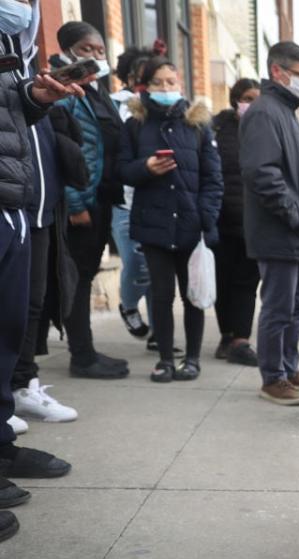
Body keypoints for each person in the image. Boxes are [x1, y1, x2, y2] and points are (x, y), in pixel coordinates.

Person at [0, 0, 95, 543]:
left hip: (18, 202)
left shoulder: (17, 50)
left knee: (12, 332)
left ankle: (2, 450)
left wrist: (32, 97)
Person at [116, 56, 223, 382]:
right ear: (145, 87)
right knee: (160, 295)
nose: (166, 88)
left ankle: (192, 359)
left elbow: (213, 178)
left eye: (171, 82)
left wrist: (205, 218)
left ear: (181, 85)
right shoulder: (134, 124)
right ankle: (164, 359)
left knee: (193, 296)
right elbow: (120, 171)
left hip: (191, 225)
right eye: (158, 83)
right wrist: (145, 169)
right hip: (153, 225)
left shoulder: (198, 125)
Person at [240, 41, 299, 406]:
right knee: (279, 306)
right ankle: (272, 377)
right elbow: (262, 172)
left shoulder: (285, 112)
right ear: (278, 72)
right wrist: (295, 214)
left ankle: (288, 366)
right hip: (279, 232)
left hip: (297, 233)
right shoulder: (264, 112)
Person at [53, 21, 129, 379]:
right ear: (67, 50)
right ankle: (81, 356)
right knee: (79, 277)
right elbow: (62, 150)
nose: (97, 56)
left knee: (86, 273)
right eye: (87, 50)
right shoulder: (62, 89)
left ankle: (86, 350)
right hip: (80, 201)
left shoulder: (96, 89)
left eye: (100, 51)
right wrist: (77, 204)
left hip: (101, 196)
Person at [212, 78, 260, 366]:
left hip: (253, 223)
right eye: (247, 98)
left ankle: (241, 340)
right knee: (222, 283)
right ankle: (227, 335)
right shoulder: (217, 128)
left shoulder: (265, 129)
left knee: (246, 283)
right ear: (235, 100)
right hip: (220, 221)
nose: (251, 104)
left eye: (257, 99)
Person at [110, 45, 153, 341]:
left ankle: (160, 335)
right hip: (124, 201)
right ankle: (128, 305)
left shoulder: (164, 106)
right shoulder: (114, 104)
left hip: (158, 200)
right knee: (137, 263)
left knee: (158, 270)